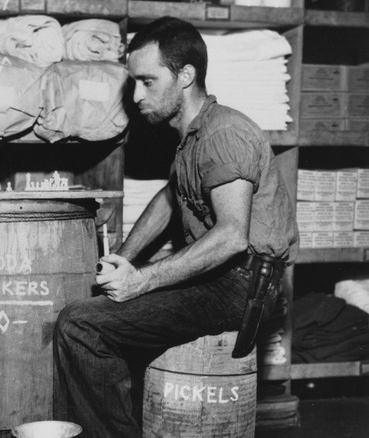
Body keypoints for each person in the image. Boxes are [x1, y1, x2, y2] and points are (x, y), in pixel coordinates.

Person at [53, 16, 298, 438]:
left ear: (186, 76)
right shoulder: (192, 134)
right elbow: (169, 200)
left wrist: (142, 282)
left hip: (242, 285)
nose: (136, 95)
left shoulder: (223, 134)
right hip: (225, 275)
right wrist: (122, 259)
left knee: (82, 325)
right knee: (95, 304)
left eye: (147, 81)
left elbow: (231, 236)